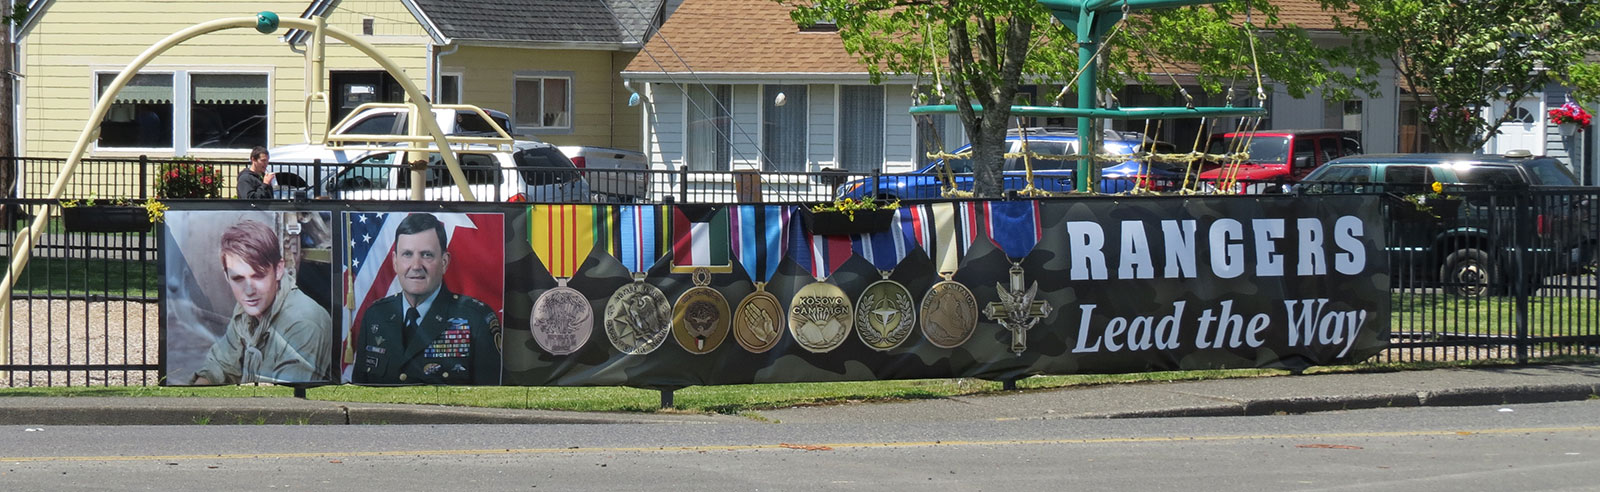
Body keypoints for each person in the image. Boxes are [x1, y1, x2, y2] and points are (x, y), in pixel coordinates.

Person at [354, 213, 502, 385]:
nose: (416, 266)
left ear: (444, 262)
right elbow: (360, 392)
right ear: (395, 261)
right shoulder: (376, 315)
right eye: (407, 254)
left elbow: (489, 401)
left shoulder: (476, 319)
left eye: (426, 255)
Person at [192, 219, 332, 385]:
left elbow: (282, 398)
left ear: (278, 269)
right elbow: (219, 365)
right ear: (226, 276)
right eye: (238, 278)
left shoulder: (305, 322)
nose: (249, 290)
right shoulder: (248, 306)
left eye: (258, 276)